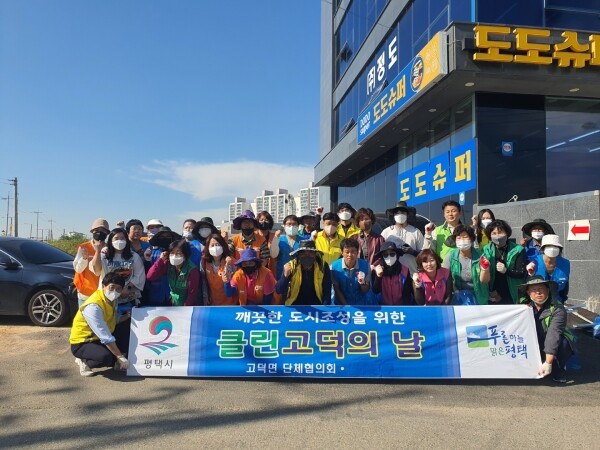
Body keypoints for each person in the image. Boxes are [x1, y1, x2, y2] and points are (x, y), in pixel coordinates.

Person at [69, 272, 131, 377]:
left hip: (99, 338)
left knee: (126, 323)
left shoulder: (112, 300)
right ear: (103, 286)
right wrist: (119, 356)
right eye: (112, 287)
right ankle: (84, 361)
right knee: (106, 358)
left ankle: (119, 362)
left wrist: (128, 316)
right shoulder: (93, 306)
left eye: (118, 289)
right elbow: (104, 336)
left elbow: (114, 319)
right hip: (84, 342)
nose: (114, 291)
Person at [520, 276, 575, 383]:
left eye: (541, 288)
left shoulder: (558, 309)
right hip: (533, 342)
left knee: (564, 344)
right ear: (528, 293)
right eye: (534, 290)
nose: (538, 292)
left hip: (552, 342)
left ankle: (558, 368)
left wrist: (548, 362)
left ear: (548, 290)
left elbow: (553, 335)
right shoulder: (523, 307)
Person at [90, 228, 146, 316]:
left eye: (122, 238)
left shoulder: (134, 256)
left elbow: (139, 275)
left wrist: (126, 288)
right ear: (111, 240)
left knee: (126, 322)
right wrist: (98, 251)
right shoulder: (104, 255)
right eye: (116, 238)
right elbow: (96, 271)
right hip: (107, 297)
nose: (119, 241)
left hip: (127, 298)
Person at [442, 225, 490, 305]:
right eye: (458, 238)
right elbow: (445, 278)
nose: (462, 240)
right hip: (458, 296)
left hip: (478, 296)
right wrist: (456, 291)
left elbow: (484, 281)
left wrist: (485, 269)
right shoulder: (450, 256)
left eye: (465, 237)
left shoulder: (481, 256)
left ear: (471, 239)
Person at [276, 240, 332, 305]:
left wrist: (324, 308)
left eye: (310, 252)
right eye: (303, 253)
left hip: (317, 303)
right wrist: (285, 276)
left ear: (315, 254)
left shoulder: (322, 266)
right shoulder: (291, 266)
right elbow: (279, 290)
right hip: (295, 304)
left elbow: (327, 291)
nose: (307, 256)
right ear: (298, 255)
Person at [483, 219, 526, 304]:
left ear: (507, 233)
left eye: (500, 232)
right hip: (494, 293)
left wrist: (506, 271)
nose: (497, 236)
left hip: (512, 292)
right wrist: (491, 291)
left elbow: (521, 273)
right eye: (494, 233)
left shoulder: (518, 249)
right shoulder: (486, 250)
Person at [146, 239, 200, 306]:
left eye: (178, 253)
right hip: (173, 304)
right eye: (172, 253)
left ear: (185, 255)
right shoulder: (168, 265)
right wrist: (160, 260)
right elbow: (150, 276)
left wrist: (184, 309)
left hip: (186, 307)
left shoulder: (192, 270)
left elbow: (192, 295)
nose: (174, 256)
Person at [73, 218, 110, 307]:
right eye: (97, 230)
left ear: (107, 233)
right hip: (85, 293)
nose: (100, 233)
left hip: (103, 293)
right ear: (92, 231)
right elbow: (78, 269)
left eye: (103, 230)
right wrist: (84, 258)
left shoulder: (110, 249)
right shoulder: (83, 247)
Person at [143, 226, 181, 306]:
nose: (165, 238)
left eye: (168, 236)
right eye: (162, 237)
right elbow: (149, 275)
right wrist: (160, 260)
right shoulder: (152, 253)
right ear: (157, 238)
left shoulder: (178, 254)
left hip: (174, 295)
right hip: (155, 293)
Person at [528, 234, 570, 303]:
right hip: (537, 302)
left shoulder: (565, 263)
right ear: (543, 248)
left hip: (557, 301)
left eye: (555, 246)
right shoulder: (534, 262)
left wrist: (562, 300)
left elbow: (565, 286)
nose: (552, 249)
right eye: (548, 246)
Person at [331, 239, 371, 305]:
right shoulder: (334, 267)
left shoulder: (365, 266)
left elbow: (366, 290)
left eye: (353, 252)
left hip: (361, 304)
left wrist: (362, 283)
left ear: (357, 252)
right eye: (347, 252)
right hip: (341, 305)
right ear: (342, 252)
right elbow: (336, 289)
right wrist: (347, 307)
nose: (350, 255)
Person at [371, 241, 412, 306]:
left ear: (397, 255)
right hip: (382, 308)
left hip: (401, 308)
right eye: (386, 255)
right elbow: (375, 291)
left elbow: (407, 295)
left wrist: (404, 310)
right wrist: (378, 277)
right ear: (382, 257)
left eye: (392, 254)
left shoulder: (405, 271)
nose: (389, 257)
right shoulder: (376, 270)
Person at [202, 233, 238, 305]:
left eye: (218, 244)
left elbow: (236, 284)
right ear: (208, 247)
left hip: (230, 304)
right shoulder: (204, 262)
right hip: (213, 303)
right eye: (212, 245)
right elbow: (204, 281)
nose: (215, 248)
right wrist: (205, 297)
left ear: (223, 246)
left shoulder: (232, 262)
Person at [272, 214, 301, 280]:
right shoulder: (279, 240)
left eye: (294, 224)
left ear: (298, 226)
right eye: (289, 224)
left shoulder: (303, 241)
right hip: (281, 274)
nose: (291, 226)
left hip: (298, 275)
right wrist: (276, 238)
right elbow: (273, 255)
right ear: (284, 226)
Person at [256, 211, 280, 277]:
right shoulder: (254, 236)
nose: (264, 222)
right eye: (261, 220)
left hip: (271, 268)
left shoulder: (274, 236)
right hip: (255, 269)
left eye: (266, 220)